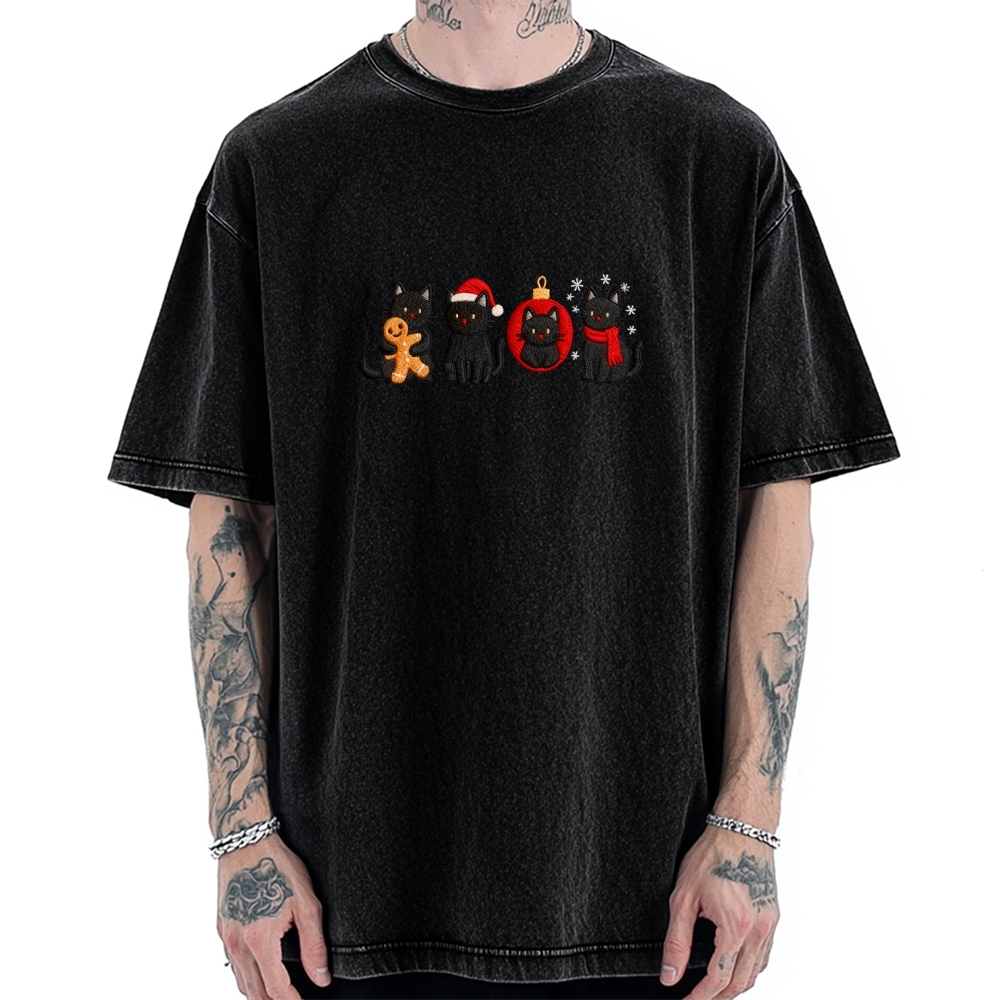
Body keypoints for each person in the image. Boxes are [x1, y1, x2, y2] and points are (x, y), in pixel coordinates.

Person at [107, 2, 900, 998]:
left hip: (652, 902)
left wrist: (748, 826)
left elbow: (777, 504)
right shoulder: (278, 165)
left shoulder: (715, 157)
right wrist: (243, 837)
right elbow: (227, 529)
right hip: (342, 907)